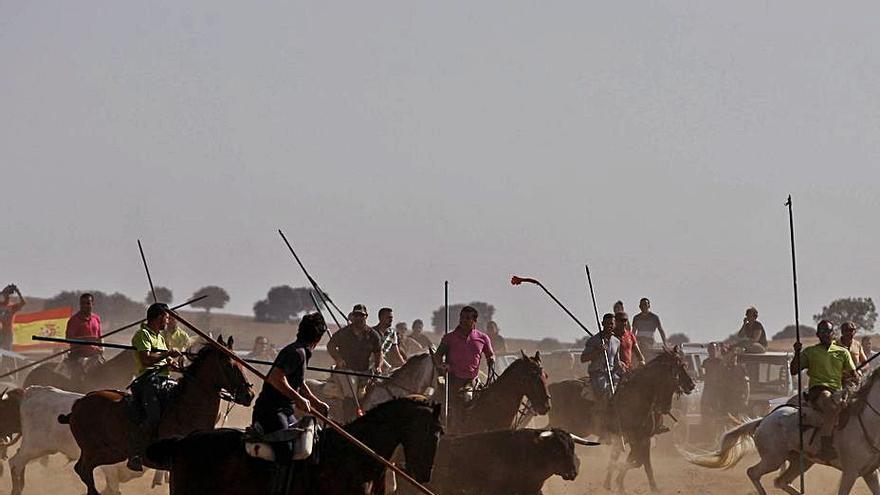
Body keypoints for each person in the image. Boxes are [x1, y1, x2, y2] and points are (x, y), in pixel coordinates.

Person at [252, 312, 329, 495]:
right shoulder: (296, 352)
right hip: (270, 412)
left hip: (284, 411)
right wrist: (298, 399)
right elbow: (276, 378)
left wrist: (315, 401)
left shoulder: (301, 351)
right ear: (318, 339)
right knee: (286, 451)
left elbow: (298, 382)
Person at [790, 320, 857, 462]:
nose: (826, 335)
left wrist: (851, 381)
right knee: (831, 406)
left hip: (838, 390)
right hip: (818, 390)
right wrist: (797, 353)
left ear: (833, 334)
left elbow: (853, 374)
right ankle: (825, 446)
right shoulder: (810, 352)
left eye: (828, 332)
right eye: (823, 333)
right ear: (818, 335)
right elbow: (794, 370)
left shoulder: (843, 352)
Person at [127, 303, 182, 471]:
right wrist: (167, 354)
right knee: (153, 417)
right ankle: (135, 454)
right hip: (147, 381)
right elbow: (146, 360)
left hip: (164, 380)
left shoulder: (160, 337)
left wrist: (172, 364)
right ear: (159, 317)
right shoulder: (142, 334)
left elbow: (163, 361)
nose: (168, 320)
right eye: (166, 317)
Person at [434, 306, 495, 432]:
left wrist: (491, 360)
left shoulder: (483, 338)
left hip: (472, 380)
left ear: (474, 321)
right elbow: (438, 356)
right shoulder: (449, 337)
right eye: (461, 317)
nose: (463, 320)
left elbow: (490, 354)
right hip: (452, 379)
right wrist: (442, 365)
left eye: (467, 318)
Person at [326, 304, 383, 419]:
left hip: (364, 371)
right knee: (351, 394)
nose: (359, 318)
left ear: (366, 316)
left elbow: (379, 353)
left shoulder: (373, 335)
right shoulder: (344, 333)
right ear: (352, 317)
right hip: (346, 370)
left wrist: (378, 366)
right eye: (356, 315)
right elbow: (330, 345)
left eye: (361, 315)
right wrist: (339, 359)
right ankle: (348, 420)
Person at [581, 313, 621, 403]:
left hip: (613, 374)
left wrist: (622, 367)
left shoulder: (617, 341)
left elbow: (616, 361)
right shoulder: (594, 340)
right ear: (602, 324)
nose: (609, 326)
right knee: (606, 394)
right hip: (598, 373)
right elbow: (583, 358)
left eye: (611, 324)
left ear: (615, 325)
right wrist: (597, 351)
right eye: (607, 323)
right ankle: (601, 414)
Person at [64, 293, 103, 379]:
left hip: (95, 355)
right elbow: (69, 339)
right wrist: (87, 339)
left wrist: (102, 348)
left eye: (88, 303)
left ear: (92, 304)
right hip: (78, 355)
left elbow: (100, 337)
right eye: (82, 303)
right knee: (79, 379)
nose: (85, 305)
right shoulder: (74, 320)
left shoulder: (96, 318)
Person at [700, 343, 725, 429]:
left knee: (718, 410)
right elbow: (702, 374)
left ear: (717, 350)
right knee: (705, 408)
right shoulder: (705, 362)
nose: (712, 352)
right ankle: (706, 428)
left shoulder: (721, 362)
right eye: (711, 350)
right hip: (708, 388)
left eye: (714, 350)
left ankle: (717, 429)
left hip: (718, 389)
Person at [0, 284, 26, 351]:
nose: (6, 298)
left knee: (8, 349)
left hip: (8, 331)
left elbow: (23, 303)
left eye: (7, 297)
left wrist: (18, 292)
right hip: (1, 331)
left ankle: (7, 360)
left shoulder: (12, 307)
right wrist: (4, 291)